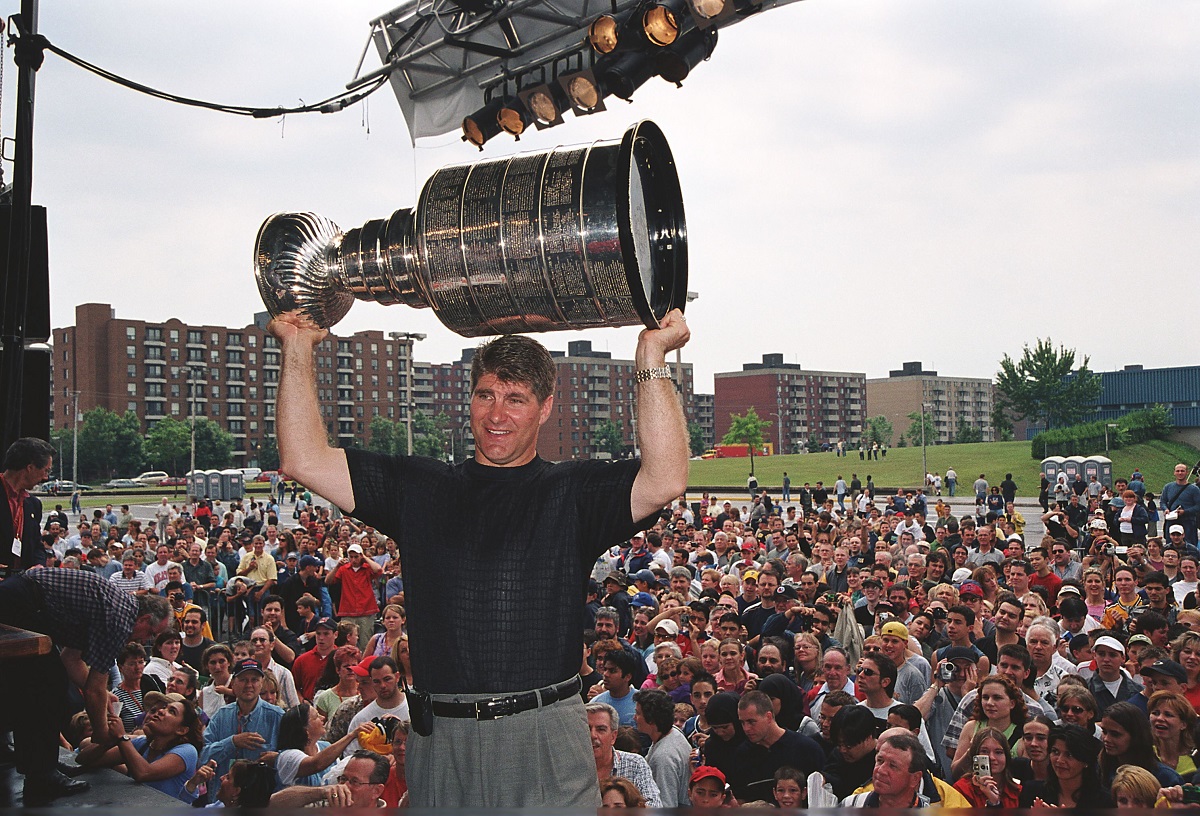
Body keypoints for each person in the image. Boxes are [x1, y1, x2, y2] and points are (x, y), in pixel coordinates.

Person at [269, 309, 690, 807]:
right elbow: (304, 459)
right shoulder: (420, 487)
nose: (496, 415)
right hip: (440, 736)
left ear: (546, 407)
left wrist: (652, 356)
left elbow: (666, 477)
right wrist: (297, 347)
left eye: (516, 399)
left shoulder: (571, 491)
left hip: (543, 735)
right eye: (485, 395)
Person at [0, 566, 173, 798]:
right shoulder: (119, 619)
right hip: (22, 601)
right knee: (48, 685)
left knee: (38, 681)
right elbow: (93, 690)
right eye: (151, 633)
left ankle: (38, 763)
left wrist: (104, 696)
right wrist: (102, 733)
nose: (147, 640)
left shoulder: (112, 607)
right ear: (142, 619)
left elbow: (70, 659)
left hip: (19, 596)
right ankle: (41, 772)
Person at [77, 692, 203, 803]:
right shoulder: (142, 743)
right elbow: (84, 760)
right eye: (164, 708)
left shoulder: (187, 751)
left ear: (181, 730)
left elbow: (144, 773)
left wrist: (121, 737)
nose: (160, 711)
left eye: (172, 712)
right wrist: (109, 741)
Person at [730, 690, 825, 804]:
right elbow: (740, 797)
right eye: (742, 723)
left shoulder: (806, 749)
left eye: (751, 722)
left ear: (768, 717)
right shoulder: (742, 754)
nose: (746, 728)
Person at [201, 658, 285, 778]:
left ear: (261, 683)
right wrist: (232, 742)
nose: (249, 685)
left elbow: (292, 758)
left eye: (254, 680)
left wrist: (277, 758)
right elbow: (203, 756)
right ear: (234, 683)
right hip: (224, 792)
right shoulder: (221, 715)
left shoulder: (277, 716)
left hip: (262, 792)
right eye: (243, 680)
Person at [274, 702, 374, 787]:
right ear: (305, 730)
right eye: (316, 717)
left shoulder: (325, 746)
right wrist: (351, 735)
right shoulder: (287, 757)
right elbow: (316, 764)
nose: (323, 718)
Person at [587, 701, 662, 807]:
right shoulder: (567, 769)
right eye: (587, 728)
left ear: (613, 736)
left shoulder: (635, 764)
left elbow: (655, 807)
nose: (593, 735)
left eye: (601, 729)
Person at [1019, 723, 1113, 807]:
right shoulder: (1032, 791)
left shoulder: (1105, 802)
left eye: (1069, 755)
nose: (1060, 760)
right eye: (1055, 752)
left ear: (1085, 761)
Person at [1097, 700, 1184, 787]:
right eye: (1104, 732)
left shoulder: (1165, 778)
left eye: (1115, 734)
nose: (1106, 739)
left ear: (1135, 736)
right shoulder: (1101, 769)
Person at [840, 732, 930, 807]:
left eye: (893, 766)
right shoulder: (851, 806)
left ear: (915, 778)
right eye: (879, 761)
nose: (881, 770)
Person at [951, 727, 1021, 807]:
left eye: (998, 752)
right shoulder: (962, 789)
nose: (992, 757)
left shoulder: (1017, 790)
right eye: (984, 751)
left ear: (1006, 756)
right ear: (975, 755)